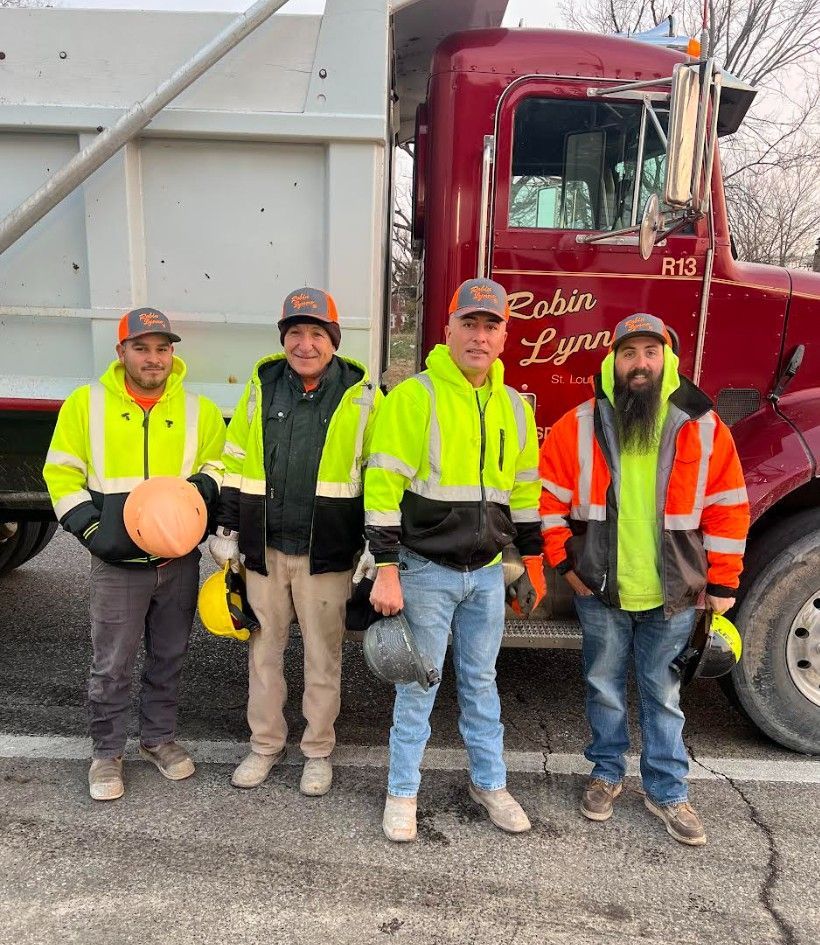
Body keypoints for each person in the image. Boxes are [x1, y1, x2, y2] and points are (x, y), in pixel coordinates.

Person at [539, 313, 749, 846]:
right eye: (629, 353)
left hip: (672, 594)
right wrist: (566, 565)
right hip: (601, 591)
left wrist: (722, 583)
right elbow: (544, 498)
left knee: (664, 696)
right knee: (604, 689)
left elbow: (728, 508)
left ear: (668, 360)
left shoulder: (702, 426)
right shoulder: (581, 422)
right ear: (613, 361)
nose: (640, 364)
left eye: (650, 353)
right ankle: (606, 775)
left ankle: (668, 789)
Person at [365, 277, 545, 842]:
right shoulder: (415, 397)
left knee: (481, 683)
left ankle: (489, 783)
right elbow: (382, 488)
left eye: (491, 326)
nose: (480, 336)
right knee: (418, 686)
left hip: (487, 575)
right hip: (425, 572)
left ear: (504, 337)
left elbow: (523, 493)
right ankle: (401, 792)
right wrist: (387, 567)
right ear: (448, 330)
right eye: (470, 323)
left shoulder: (514, 408)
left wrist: (530, 562)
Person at [43, 308, 226, 801]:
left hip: (178, 560)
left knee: (169, 655)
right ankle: (106, 752)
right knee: (113, 662)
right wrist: (93, 530)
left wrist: (201, 493)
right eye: (141, 347)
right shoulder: (86, 405)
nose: (153, 358)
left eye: (162, 348)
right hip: (117, 563)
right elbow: (61, 473)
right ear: (120, 351)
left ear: (172, 354)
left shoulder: (199, 410)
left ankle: (158, 740)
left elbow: (223, 461)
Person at [210, 287, 381, 797]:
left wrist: (377, 543)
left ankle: (317, 751)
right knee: (264, 653)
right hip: (264, 550)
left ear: (333, 340)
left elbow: (379, 473)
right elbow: (236, 460)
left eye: (316, 334)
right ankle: (264, 746)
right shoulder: (262, 389)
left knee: (322, 657)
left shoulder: (364, 397)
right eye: (295, 334)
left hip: (326, 552)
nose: (305, 344)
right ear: (284, 339)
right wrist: (226, 528)